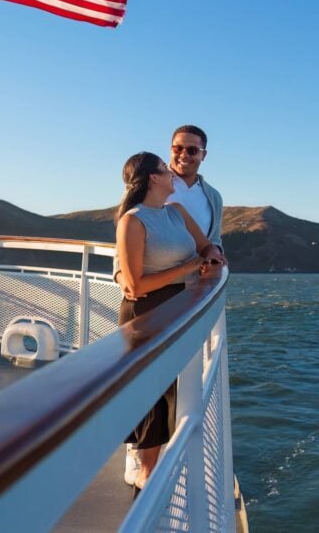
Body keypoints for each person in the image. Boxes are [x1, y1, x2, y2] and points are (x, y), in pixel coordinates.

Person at [120, 125, 227, 486]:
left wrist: (213, 256)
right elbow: (129, 250)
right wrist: (125, 277)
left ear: (203, 155)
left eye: (191, 150)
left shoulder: (203, 199)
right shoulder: (140, 205)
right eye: (176, 149)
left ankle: (163, 455)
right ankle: (140, 460)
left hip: (190, 298)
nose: (182, 156)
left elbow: (210, 242)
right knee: (147, 383)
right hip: (150, 301)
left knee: (177, 384)